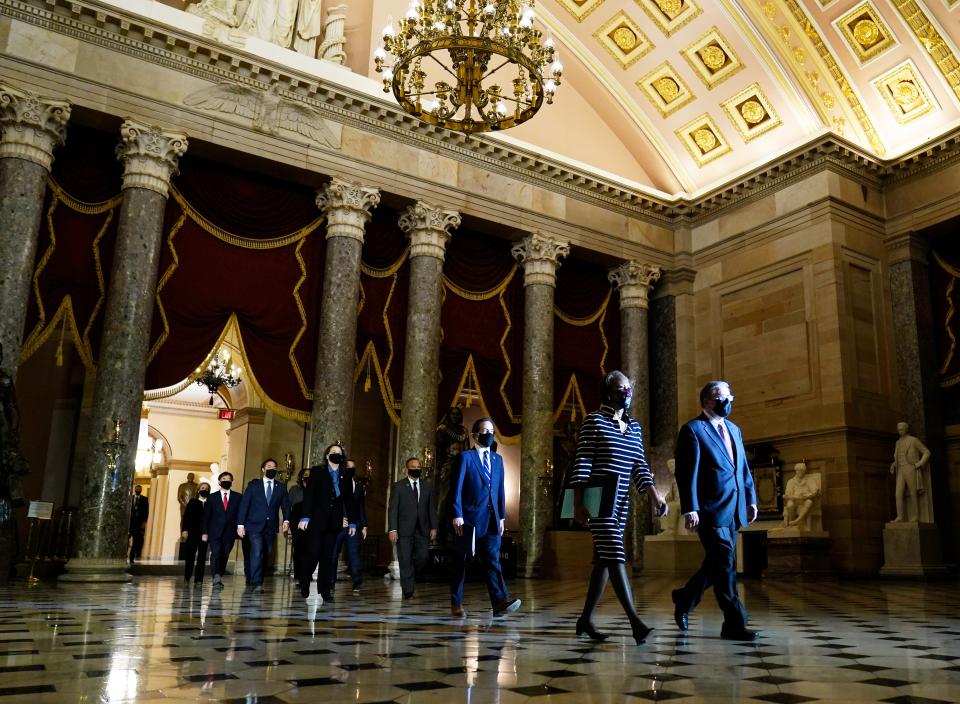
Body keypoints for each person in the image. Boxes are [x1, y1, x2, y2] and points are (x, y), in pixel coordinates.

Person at [571, 370, 667, 645]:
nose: (626, 393)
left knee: (603, 560)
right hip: (597, 497)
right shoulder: (594, 421)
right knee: (615, 554)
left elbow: (640, 465)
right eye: (620, 388)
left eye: (628, 388)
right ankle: (635, 622)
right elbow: (583, 461)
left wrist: (655, 496)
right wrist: (578, 503)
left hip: (622, 500)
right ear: (608, 391)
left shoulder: (634, 427)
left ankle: (586, 619)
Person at [672, 380, 759, 641]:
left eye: (731, 395)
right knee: (725, 562)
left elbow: (741, 468)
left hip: (734, 509)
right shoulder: (693, 430)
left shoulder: (734, 429)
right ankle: (734, 622)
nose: (729, 400)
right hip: (710, 510)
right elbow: (686, 473)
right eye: (724, 396)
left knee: (717, 564)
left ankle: (685, 597)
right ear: (709, 400)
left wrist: (751, 499)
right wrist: (690, 508)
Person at [448, 417, 521, 618]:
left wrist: (502, 517)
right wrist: (457, 514)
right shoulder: (465, 457)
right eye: (484, 431)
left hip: (491, 520)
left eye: (491, 431)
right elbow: (456, 489)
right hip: (468, 520)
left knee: (493, 561)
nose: (489, 434)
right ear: (475, 435)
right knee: (461, 562)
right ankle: (456, 602)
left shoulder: (498, 460)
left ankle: (499, 601)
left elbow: (499, 491)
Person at [297, 443, 357, 601]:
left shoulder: (345, 475)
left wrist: (352, 522)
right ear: (327, 455)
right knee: (314, 552)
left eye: (340, 452)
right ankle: (305, 579)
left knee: (328, 557)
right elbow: (309, 495)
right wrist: (305, 517)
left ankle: (325, 590)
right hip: (317, 520)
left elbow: (350, 501)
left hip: (334, 522)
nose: (337, 454)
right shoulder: (317, 472)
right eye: (334, 452)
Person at [237, 458, 291, 593]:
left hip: (270, 527)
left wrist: (286, 521)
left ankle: (256, 579)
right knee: (257, 551)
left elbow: (286, 506)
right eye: (268, 466)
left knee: (265, 554)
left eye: (274, 466)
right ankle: (256, 583)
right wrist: (240, 525)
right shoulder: (253, 486)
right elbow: (244, 505)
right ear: (263, 469)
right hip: (253, 526)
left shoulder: (281, 488)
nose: (271, 468)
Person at [388, 457, 437, 600]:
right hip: (403, 530)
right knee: (404, 560)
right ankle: (408, 589)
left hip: (422, 529)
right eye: (413, 467)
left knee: (422, 557)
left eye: (418, 467)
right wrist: (392, 529)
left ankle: (411, 575)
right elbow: (393, 510)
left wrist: (434, 527)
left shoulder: (427, 486)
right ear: (407, 469)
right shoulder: (398, 486)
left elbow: (431, 509)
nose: (416, 469)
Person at [202, 471, 243, 590]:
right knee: (215, 553)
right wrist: (204, 532)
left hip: (230, 532)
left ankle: (219, 574)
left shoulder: (238, 497)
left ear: (231, 482)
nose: (226, 481)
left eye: (229, 479)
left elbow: (241, 514)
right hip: (214, 532)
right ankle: (216, 577)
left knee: (225, 554)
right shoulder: (212, 497)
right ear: (219, 482)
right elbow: (206, 516)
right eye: (224, 479)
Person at [333, 459, 367, 594]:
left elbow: (361, 508)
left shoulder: (359, 486)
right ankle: (330, 582)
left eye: (352, 467)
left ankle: (357, 582)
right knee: (333, 554)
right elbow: (332, 505)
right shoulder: (335, 484)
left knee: (354, 554)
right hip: (338, 525)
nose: (350, 469)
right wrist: (338, 519)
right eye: (348, 467)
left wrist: (364, 525)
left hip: (355, 525)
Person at [890, 421, 932, 523]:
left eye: (901, 429)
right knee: (898, 494)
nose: (900, 431)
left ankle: (915, 516)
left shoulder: (913, 440)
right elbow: (897, 457)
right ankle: (900, 516)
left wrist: (920, 463)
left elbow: (926, 452)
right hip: (900, 470)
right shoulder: (897, 443)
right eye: (898, 429)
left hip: (910, 468)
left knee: (913, 492)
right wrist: (893, 464)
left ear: (906, 429)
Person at [181, 481, 211, 586]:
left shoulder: (210, 503)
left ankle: (199, 580)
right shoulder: (193, 502)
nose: (204, 490)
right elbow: (186, 517)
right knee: (190, 556)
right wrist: (184, 530)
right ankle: (187, 578)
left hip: (205, 534)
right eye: (202, 488)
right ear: (198, 490)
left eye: (206, 488)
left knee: (202, 557)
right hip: (192, 532)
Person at [781, 462, 820, 530]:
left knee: (809, 502)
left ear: (804, 471)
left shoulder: (809, 480)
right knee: (790, 504)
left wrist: (806, 496)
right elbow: (788, 494)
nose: (800, 472)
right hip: (794, 501)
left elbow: (815, 491)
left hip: (804, 500)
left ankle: (798, 520)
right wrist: (796, 497)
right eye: (799, 470)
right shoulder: (791, 481)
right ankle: (791, 522)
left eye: (802, 471)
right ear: (796, 471)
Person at [288, 466, 310, 587]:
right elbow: (288, 506)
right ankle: (298, 575)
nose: (307, 477)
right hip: (296, 522)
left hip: (312, 523)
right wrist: (286, 522)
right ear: (301, 477)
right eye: (305, 475)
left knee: (310, 550)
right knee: (299, 550)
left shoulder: (315, 490)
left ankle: (306, 575)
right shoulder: (294, 489)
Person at [128, 485, 149, 564]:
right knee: (126, 541)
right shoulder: (130, 498)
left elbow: (146, 512)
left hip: (138, 524)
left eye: (139, 489)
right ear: (134, 489)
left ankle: (131, 557)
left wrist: (144, 522)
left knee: (136, 542)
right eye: (136, 489)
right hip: (130, 523)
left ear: (141, 490)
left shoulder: (144, 499)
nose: (138, 490)